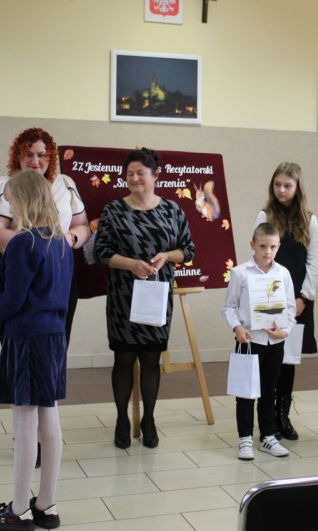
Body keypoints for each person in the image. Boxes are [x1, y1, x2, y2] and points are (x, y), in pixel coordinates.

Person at [0, 170, 73, 530]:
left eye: (11, 200)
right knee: (49, 416)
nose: (10, 207)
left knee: (24, 421)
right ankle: (47, 505)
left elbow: (15, 303)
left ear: (24, 199)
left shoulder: (23, 243)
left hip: (26, 339)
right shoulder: (61, 242)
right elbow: (38, 296)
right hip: (53, 336)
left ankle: (19, 509)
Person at [92, 148, 195, 450]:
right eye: (130, 174)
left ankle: (148, 419)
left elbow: (188, 250)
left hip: (157, 296)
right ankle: (121, 419)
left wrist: (167, 256)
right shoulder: (114, 210)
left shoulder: (173, 210)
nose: (134, 178)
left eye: (141, 173)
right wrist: (130, 264)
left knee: (151, 360)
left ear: (155, 176)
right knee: (123, 359)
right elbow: (100, 252)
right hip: (123, 297)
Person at [0, 127, 90, 345]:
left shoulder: (64, 184)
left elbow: (83, 226)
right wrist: (40, 245)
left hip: (57, 271)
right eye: (28, 154)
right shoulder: (3, 185)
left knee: (57, 343)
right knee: (18, 343)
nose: (35, 161)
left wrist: (68, 239)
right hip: (15, 269)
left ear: (51, 157)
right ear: (17, 157)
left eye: (41, 155)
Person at [253, 162, 318, 441]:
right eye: (277, 184)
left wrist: (303, 297)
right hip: (269, 298)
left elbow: (313, 262)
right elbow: (257, 257)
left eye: (287, 185)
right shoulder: (264, 215)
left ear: (297, 187)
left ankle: (283, 415)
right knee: (269, 358)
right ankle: (267, 418)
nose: (281, 190)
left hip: (298, 299)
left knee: (288, 359)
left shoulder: (309, 219)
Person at [222, 223, 297, 461]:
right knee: (245, 391)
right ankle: (245, 438)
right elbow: (229, 306)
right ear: (252, 245)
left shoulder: (283, 274)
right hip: (249, 341)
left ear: (278, 247)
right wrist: (237, 328)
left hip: (274, 343)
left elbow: (290, 308)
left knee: (269, 389)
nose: (267, 252)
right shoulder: (240, 273)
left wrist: (285, 331)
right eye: (263, 246)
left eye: (272, 247)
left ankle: (268, 436)